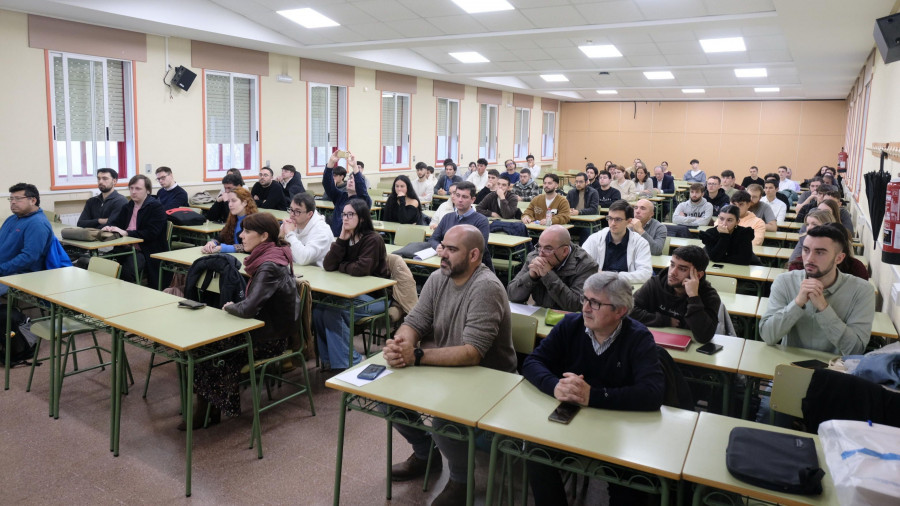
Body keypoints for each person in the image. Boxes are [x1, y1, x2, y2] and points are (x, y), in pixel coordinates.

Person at [382, 225, 517, 506]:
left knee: (443, 417)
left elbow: (472, 353)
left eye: (452, 250)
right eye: (443, 246)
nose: (442, 254)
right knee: (383, 397)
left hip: (489, 381)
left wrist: (416, 356)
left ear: (474, 255)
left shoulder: (486, 287)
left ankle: (461, 479)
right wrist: (400, 344)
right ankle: (425, 453)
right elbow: (415, 322)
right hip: (448, 371)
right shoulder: (437, 278)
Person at [523, 272, 664, 505]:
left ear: (620, 311)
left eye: (595, 303)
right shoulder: (571, 324)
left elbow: (652, 392)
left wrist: (594, 396)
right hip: (572, 424)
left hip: (620, 430)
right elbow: (532, 362)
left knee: (630, 484)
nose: (586, 308)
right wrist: (555, 386)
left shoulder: (639, 338)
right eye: (585, 299)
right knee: (535, 451)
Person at [185, 212, 300, 430]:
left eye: (247, 231)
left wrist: (229, 307)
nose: (241, 235)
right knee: (205, 346)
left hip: (271, 338)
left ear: (264, 236)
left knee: (209, 348)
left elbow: (247, 308)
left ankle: (212, 407)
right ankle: (212, 404)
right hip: (264, 327)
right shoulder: (271, 255)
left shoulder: (269, 266)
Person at [760, 223, 875, 355]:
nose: (809, 259)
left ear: (839, 258)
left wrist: (823, 308)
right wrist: (797, 303)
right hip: (789, 367)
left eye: (820, 252)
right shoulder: (785, 281)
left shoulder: (862, 291)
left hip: (835, 370)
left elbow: (855, 350)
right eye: (806, 250)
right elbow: (767, 336)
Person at [314, 199, 389, 370]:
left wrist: (342, 266)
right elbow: (328, 265)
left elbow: (361, 269)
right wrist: (341, 239)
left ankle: (351, 361)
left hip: (375, 297)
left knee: (334, 311)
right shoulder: (346, 238)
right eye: (343, 214)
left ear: (361, 218)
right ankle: (329, 359)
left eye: (350, 214)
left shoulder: (373, 239)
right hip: (351, 293)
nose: (345, 218)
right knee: (318, 310)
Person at [631, 246, 720, 344]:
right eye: (672, 265)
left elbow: (704, 337)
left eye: (682, 269)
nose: (672, 272)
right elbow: (628, 310)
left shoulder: (709, 296)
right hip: (652, 345)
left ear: (698, 275)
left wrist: (694, 297)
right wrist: (664, 320)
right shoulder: (656, 284)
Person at [507, 225, 598, 312]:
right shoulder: (534, 256)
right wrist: (530, 277)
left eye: (548, 248)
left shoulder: (586, 265)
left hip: (567, 320)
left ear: (565, 251)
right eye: (539, 246)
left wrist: (548, 275)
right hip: (540, 314)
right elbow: (512, 295)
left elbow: (576, 306)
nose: (541, 254)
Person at [103, 175, 167, 287]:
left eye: (138, 188)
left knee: (127, 271)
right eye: (131, 188)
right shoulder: (129, 206)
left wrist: (127, 233)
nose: (133, 192)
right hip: (124, 248)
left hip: (146, 251)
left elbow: (151, 233)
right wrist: (110, 227)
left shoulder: (156, 207)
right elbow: (117, 223)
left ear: (147, 190)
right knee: (100, 265)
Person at [0, 183, 53, 295]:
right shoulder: (12, 218)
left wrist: (1, 269)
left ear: (33, 201)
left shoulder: (37, 224)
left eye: (18, 199)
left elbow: (29, 257)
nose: (13, 202)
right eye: (11, 198)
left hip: (20, 275)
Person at [583, 200, 652, 284]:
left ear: (629, 221)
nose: (612, 223)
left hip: (625, 288)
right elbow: (582, 265)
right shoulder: (594, 239)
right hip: (600, 287)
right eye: (610, 218)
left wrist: (613, 276)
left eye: (618, 219)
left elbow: (645, 274)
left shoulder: (640, 243)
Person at [429, 181, 492, 270]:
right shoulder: (447, 217)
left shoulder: (481, 221)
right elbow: (433, 239)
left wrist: (450, 251)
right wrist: (437, 246)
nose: (460, 200)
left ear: (473, 200)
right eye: (457, 195)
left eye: (464, 197)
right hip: (448, 263)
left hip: (471, 268)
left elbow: (481, 247)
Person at [787, 210, 868, 279]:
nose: (809, 228)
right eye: (806, 250)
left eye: (820, 252)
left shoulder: (855, 268)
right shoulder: (798, 264)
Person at [322, 151, 371, 237]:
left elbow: (362, 190)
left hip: (352, 239)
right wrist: (331, 163)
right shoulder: (340, 196)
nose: (351, 181)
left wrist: (355, 167)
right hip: (336, 237)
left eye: (354, 180)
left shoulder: (363, 200)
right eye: (349, 179)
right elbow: (327, 184)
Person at [280, 192, 334, 267]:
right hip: (296, 271)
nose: (292, 214)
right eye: (291, 209)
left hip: (318, 274)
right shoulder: (290, 224)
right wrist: (280, 237)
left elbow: (304, 259)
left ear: (309, 214)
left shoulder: (322, 230)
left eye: (297, 211)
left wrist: (289, 234)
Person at [201, 187, 257, 254]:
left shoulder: (254, 221)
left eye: (233, 201)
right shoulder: (233, 218)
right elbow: (221, 236)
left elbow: (250, 246)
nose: (230, 205)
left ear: (244, 202)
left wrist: (222, 248)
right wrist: (212, 243)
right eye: (228, 201)